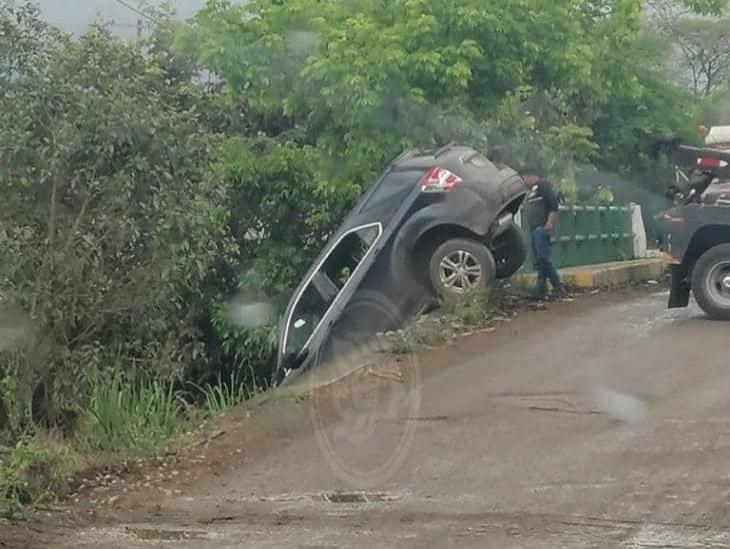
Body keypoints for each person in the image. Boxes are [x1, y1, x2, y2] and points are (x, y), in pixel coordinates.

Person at [519, 166, 566, 301]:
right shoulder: (531, 191)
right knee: (539, 261)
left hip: (542, 227)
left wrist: (549, 223)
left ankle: (558, 286)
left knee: (543, 259)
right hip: (534, 229)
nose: (523, 182)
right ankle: (540, 290)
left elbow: (553, 206)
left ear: (529, 176)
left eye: (523, 179)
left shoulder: (542, 186)